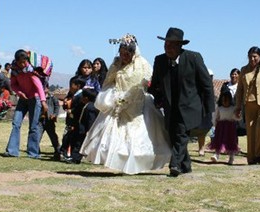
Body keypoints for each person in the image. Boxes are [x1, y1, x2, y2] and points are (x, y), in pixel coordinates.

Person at [82, 34, 171, 174]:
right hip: (117, 103)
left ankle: (136, 164)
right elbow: (108, 82)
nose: (124, 56)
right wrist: (114, 95)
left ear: (133, 52)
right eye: (122, 53)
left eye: (127, 53)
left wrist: (133, 95)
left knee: (138, 136)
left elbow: (148, 82)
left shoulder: (142, 64)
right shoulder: (116, 64)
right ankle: (117, 162)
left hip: (138, 104)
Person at [148, 27, 215, 177]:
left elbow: (206, 84)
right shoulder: (160, 60)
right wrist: (156, 99)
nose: (168, 48)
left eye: (171, 45)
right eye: (166, 45)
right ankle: (186, 165)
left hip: (189, 106)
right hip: (170, 107)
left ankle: (175, 165)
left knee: (181, 134)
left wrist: (209, 108)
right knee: (173, 136)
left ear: (180, 46)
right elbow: (156, 84)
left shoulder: (194, 58)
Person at [234, 46, 260, 165]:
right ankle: (252, 157)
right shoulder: (244, 70)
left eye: (255, 57)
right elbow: (240, 90)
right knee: (250, 131)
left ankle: (259, 153)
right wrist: (238, 106)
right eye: (250, 56)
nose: (252, 59)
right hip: (248, 104)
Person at [4, 49, 48, 159]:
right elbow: (13, 84)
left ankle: (33, 153)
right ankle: (12, 151)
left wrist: (43, 101)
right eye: (20, 63)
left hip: (35, 98)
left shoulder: (31, 70)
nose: (23, 65)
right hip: (23, 99)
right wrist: (19, 93)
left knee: (33, 126)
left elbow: (38, 85)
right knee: (16, 123)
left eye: (24, 62)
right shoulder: (14, 70)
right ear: (16, 61)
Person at [208, 89, 240, 165]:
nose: (225, 102)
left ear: (230, 100)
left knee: (231, 142)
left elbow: (237, 118)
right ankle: (216, 155)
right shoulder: (219, 108)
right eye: (223, 100)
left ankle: (231, 157)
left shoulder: (233, 108)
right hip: (220, 127)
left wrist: (237, 115)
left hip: (230, 127)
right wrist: (215, 124)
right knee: (218, 141)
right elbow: (215, 117)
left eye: (227, 100)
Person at [69, 88, 99, 164]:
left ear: (86, 98)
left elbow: (90, 120)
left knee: (79, 144)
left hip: (84, 130)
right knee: (78, 143)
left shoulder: (90, 107)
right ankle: (76, 157)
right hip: (81, 129)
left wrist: (89, 130)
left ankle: (75, 159)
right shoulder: (87, 105)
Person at [59, 76, 86, 160]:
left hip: (75, 121)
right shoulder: (74, 95)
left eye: (72, 85)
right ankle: (66, 153)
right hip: (71, 121)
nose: (70, 87)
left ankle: (70, 154)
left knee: (71, 138)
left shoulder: (80, 96)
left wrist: (72, 111)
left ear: (78, 86)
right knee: (68, 137)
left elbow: (79, 107)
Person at [191, 68, 215, 157]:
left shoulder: (210, 88)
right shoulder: (195, 85)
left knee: (203, 131)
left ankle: (201, 149)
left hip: (206, 111)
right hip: (196, 110)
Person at [41, 83, 61, 160]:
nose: (43, 89)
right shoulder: (38, 98)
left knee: (53, 137)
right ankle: (35, 151)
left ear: (47, 88)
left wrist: (55, 114)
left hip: (50, 120)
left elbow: (57, 106)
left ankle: (57, 151)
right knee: (37, 136)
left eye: (45, 87)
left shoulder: (52, 98)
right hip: (41, 120)